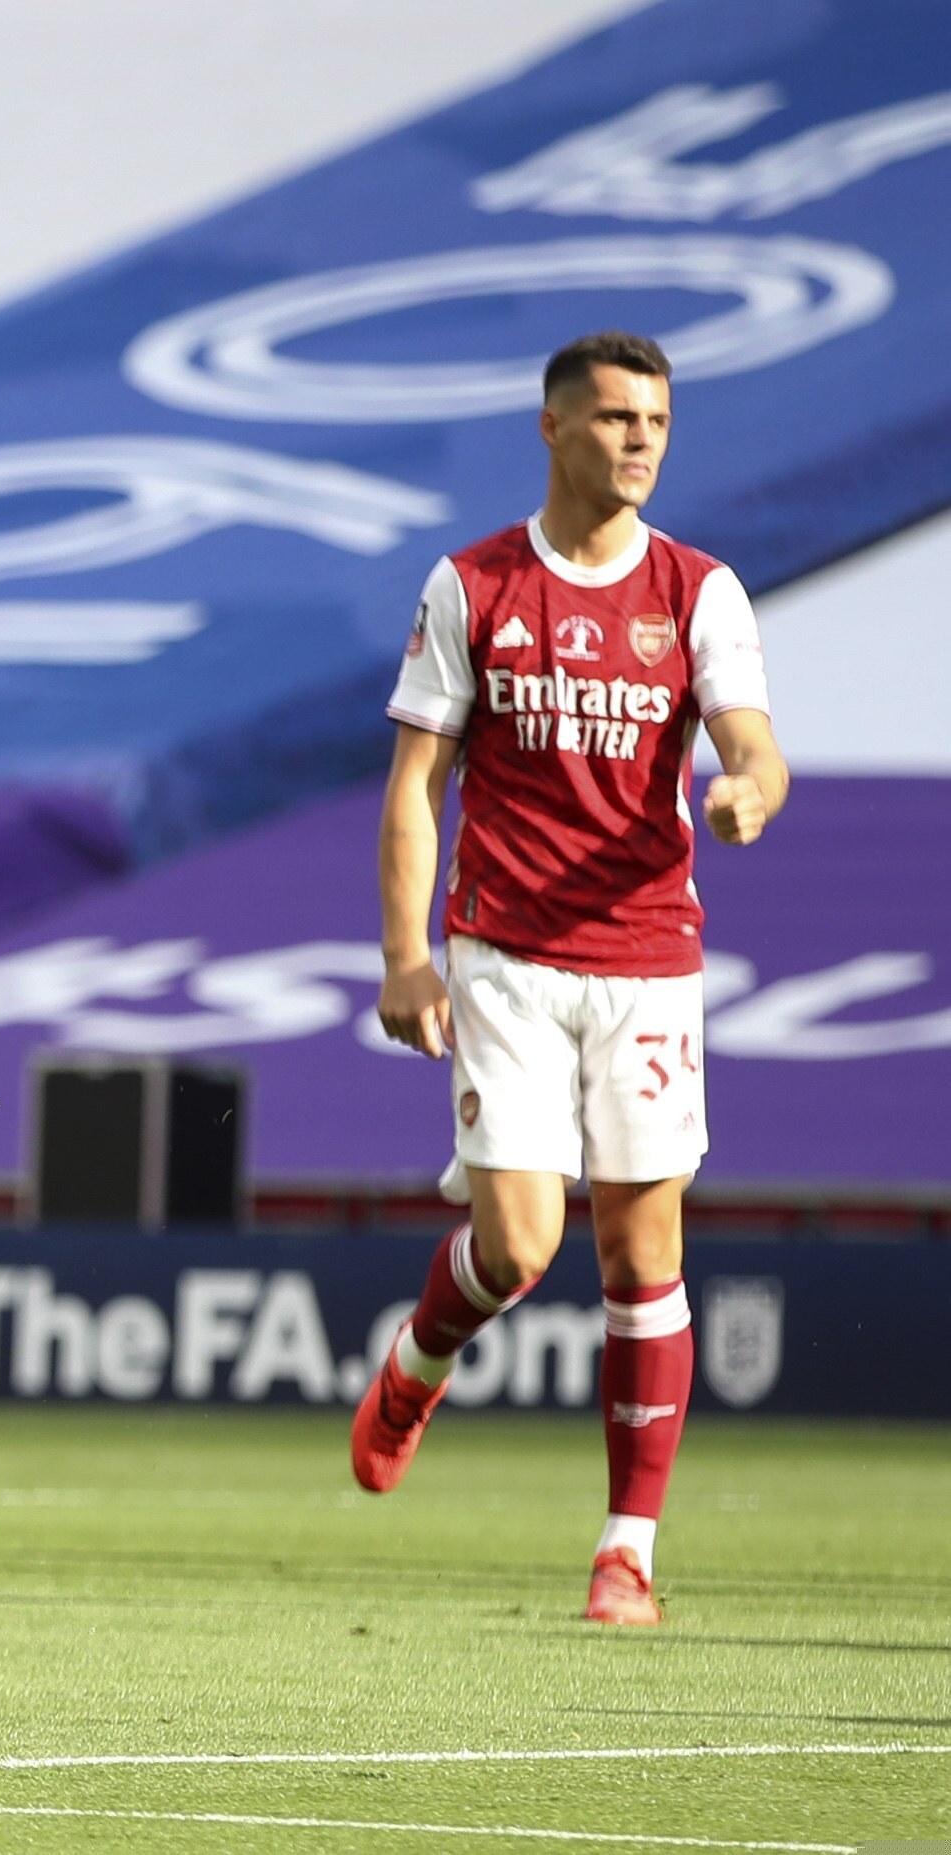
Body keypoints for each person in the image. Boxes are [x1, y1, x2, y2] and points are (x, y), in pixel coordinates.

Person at [357, 331, 789, 1627]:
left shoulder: (698, 590)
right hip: (504, 957)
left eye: (654, 417)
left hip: (648, 958)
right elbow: (413, 787)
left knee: (637, 1248)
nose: (639, 439)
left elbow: (756, 746)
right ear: (550, 429)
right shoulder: (474, 585)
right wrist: (402, 952)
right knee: (520, 1242)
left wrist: (746, 792)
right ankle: (420, 1355)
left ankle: (625, 1550)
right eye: (611, 417)